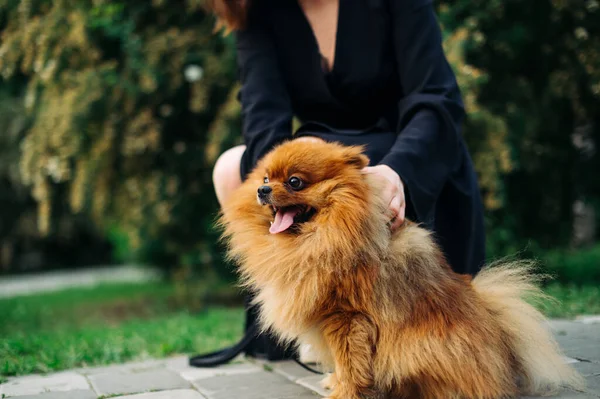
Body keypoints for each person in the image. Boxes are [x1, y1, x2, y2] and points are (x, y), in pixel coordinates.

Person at [205, 0, 486, 363]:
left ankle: (371, 323)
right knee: (230, 167)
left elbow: (436, 99)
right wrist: (295, 150)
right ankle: (303, 316)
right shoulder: (257, 10)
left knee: (362, 184)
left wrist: (397, 171)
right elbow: (262, 117)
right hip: (312, 162)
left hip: (410, 155)